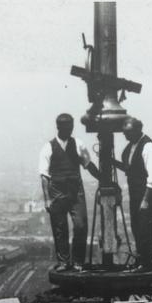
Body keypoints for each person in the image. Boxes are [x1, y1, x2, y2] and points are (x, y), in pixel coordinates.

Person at [39, 113, 100, 271]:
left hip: (75, 190)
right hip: (57, 192)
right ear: (58, 127)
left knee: (80, 225)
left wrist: (103, 178)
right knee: (59, 228)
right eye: (66, 127)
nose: (69, 130)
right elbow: (44, 177)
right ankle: (64, 262)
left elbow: (88, 164)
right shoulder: (48, 147)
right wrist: (46, 200)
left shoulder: (78, 144)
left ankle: (78, 262)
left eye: (71, 127)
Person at [115, 116, 152, 271]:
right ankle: (140, 259)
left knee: (144, 228)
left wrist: (146, 200)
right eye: (124, 133)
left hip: (146, 192)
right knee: (136, 226)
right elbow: (130, 169)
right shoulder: (131, 146)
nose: (126, 136)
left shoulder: (148, 147)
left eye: (128, 132)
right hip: (135, 192)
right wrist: (112, 162)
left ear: (138, 130)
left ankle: (145, 262)